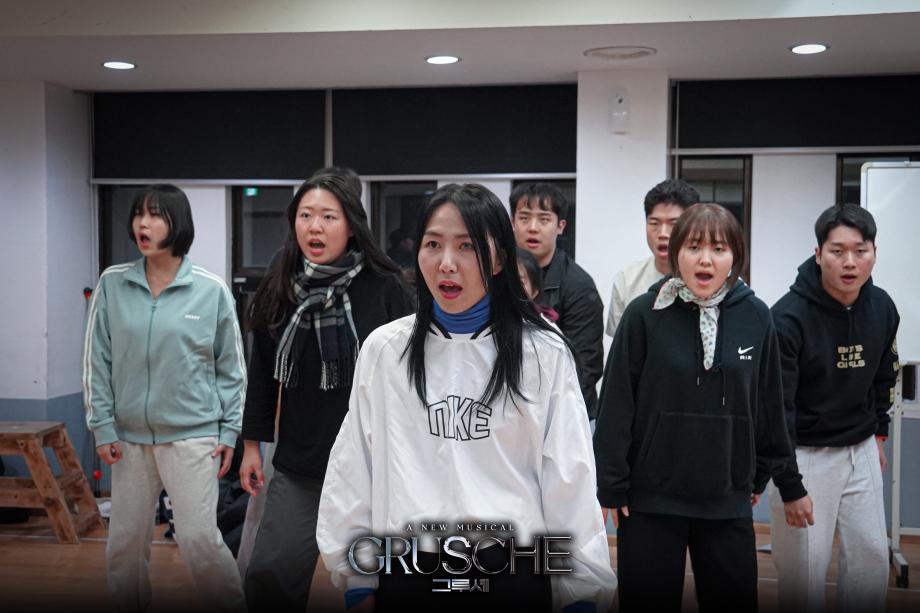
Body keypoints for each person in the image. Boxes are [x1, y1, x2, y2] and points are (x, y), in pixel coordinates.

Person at [316, 183, 616, 612]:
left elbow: (569, 478)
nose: (447, 263)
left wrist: (581, 594)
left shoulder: (543, 351)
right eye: (432, 245)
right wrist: (357, 581)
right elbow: (354, 470)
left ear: (499, 258)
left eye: (467, 246)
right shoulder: (385, 350)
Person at [594, 202, 812, 612]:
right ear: (676, 253)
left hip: (726, 499)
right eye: (694, 247)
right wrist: (611, 482)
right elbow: (617, 402)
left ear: (735, 256)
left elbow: (770, 404)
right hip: (650, 500)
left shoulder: (756, 316)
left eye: (719, 248)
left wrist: (763, 475)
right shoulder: (643, 314)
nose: (706, 259)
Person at [239, 171, 414, 612]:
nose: (314, 227)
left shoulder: (386, 287)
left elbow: (415, 373)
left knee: (381, 583)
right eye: (306, 215)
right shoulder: (280, 285)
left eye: (328, 217)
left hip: (377, 465)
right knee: (269, 576)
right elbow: (262, 373)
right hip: (302, 462)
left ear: (351, 225)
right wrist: (252, 445)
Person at [83, 184, 246, 612]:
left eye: (155, 215)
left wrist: (229, 431)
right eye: (139, 214)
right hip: (129, 439)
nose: (143, 223)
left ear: (178, 224)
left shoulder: (210, 290)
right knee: (124, 545)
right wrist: (102, 426)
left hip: (193, 437)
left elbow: (232, 369)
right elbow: (97, 360)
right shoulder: (113, 284)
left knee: (199, 540)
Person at [769, 203, 899, 613]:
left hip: (860, 448)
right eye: (837, 251)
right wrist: (789, 484)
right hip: (806, 453)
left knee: (871, 557)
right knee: (804, 570)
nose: (849, 262)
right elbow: (776, 409)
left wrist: (878, 433)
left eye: (860, 251)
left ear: (874, 253)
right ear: (818, 253)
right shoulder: (787, 318)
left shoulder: (882, 307)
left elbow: (884, 375)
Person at [510, 182, 604, 419]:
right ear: (512, 223)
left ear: (560, 226)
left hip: (566, 414)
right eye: (524, 218)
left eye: (544, 219)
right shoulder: (496, 275)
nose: (533, 228)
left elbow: (586, 367)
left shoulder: (579, 286)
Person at [606, 178, 699, 338]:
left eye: (673, 224)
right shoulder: (626, 280)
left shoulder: (713, 279)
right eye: (654, 223)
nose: (663, 233)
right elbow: (621, 345)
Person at [517, 247, 558, 322]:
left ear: (534, 291)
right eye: (504, 280)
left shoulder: (544, 326)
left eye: (519, 282)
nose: (510, 287)